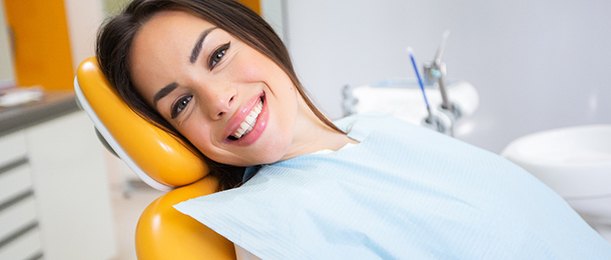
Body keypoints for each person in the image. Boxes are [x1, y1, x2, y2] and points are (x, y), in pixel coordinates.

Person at [96, 0, 611, 259]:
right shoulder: (270, 223)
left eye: (218, 54)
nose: (219, 99)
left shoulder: (371, 128)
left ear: (257, 36)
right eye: (181, 102)